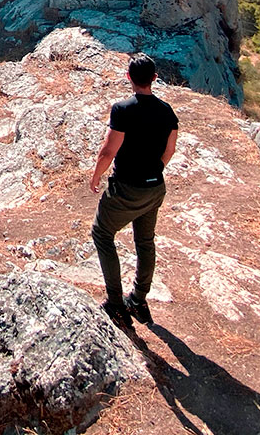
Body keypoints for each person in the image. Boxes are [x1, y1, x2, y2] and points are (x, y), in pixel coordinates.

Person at [88, 52, 179, 327]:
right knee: (145, 241)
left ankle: (116, 303)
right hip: (155, 189)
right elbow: (170, 150)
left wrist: (95, 177)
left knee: (102, 234)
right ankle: (139, 300)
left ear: (128, 77)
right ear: (155, 78)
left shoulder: (123, 109)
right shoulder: (167, 112)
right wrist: (154, 171)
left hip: (127, 188)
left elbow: (108, 151)